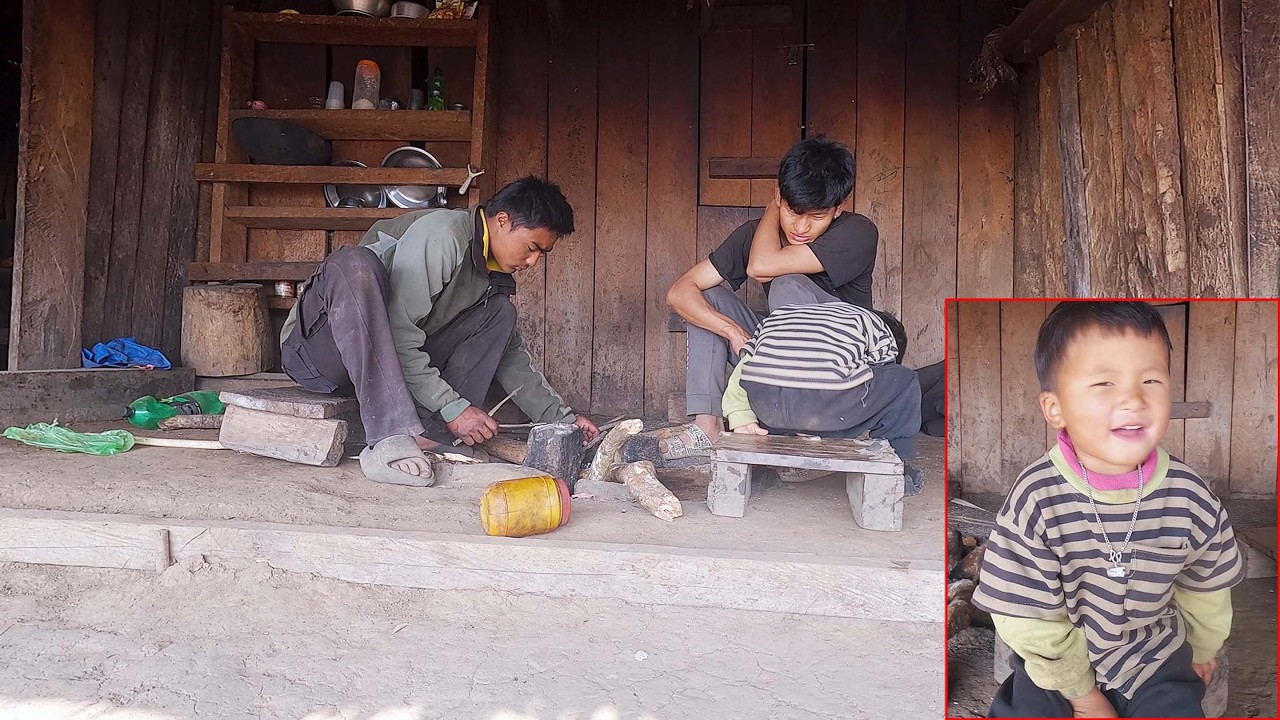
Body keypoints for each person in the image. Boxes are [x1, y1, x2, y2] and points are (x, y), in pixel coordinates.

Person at [971, 301, 1244, 718]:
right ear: (1055, 408)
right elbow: (1024, 615)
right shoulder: (1036, 497)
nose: (1134, 399)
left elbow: (1205, 586)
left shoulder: (1188, 495)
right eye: (1104, 384)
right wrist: (1082, 695)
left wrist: (1204, 649)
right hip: (1056, 659)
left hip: (1153, 655)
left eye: (1151, 379)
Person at [278, 177, 600, 487]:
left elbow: (513, 359)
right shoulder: (445, 236)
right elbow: (398, 333)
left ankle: (431, 435)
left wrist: (562, 419)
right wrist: (454, 406)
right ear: (502, 221)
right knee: (355, 264)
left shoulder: (492, 277)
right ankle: (387, 439)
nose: (532, 261)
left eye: (541, 254)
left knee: (500, 314)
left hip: (375, 370)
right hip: (319, 357)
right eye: (531, 247)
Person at [664, 136, 878, 458]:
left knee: (786, 284)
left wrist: (773, 209)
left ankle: (805, 425)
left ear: (838, 209)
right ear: (779, 194)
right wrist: (732, 331)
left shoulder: (858, 232)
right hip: (776, 364)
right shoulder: (755, 234)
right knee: (705, 299)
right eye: (793, 211)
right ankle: (707, 427)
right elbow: (679, 292)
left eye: (816, 216)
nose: (802, 226)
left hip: (840, 370)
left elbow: (761, 267)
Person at [719, 302, 924, 494]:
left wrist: (740, 417)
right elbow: (886, 370)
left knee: (767, 377)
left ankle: (762, 467)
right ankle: (898, 464)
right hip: (830, 411)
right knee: (904, 380)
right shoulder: (878, 328)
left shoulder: (782, 315)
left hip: (770, 409)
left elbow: (745, 365)